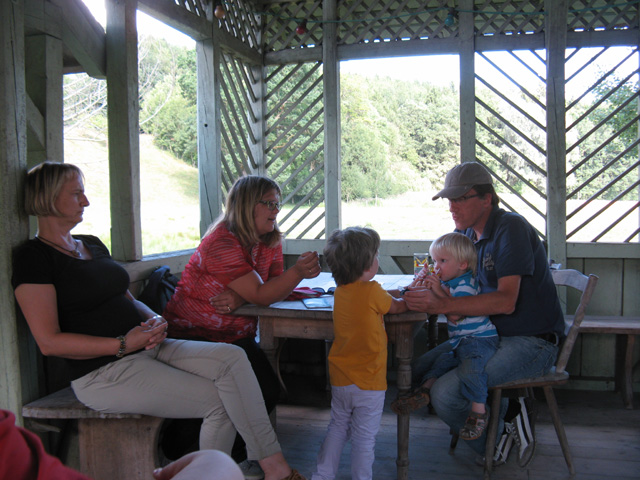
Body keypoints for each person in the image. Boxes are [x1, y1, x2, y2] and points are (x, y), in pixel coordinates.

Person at [12, 162, 305, 480]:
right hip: (103, 371)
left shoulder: (91, 244)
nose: (86, 201)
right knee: (222, 401)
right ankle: (272, 469)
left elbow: (126, 298)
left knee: (233, 357)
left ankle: (266, 469)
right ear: (48, 197)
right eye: (76, 194)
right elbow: (49, 341)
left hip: (149, 345)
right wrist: (122, 344)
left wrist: (153, 318)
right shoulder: (35, 258)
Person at [402, 162, 565, 467]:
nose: (452, 207)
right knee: (419, 368)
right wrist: (428, 281)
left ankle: (497, 437)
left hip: (532, 340)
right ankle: (506, 414)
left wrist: (443, 306)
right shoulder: (465, 233)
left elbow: (506, 302)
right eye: (449, 200)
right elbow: (448, 271)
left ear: (487, 198)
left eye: (460, 199)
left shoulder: (510, 228)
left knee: (445, 394)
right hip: (487, 334)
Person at [162, 175, 321, 476]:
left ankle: (234, 457)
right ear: (248, 205)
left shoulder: (270, 239)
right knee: (250, 391)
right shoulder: (221, 242)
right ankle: (182, 452)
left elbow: (271, 287)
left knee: (268, 390)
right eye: (269, 204)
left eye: (278, 203)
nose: (276, 210)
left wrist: (241, 295)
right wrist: (296, 273)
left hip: (234, 336)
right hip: (193, 336)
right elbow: (263, 293)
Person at [311, 227, 407, 480]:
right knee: (364, 438)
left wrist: (395, 294)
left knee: (338, 427)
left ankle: (322, 475)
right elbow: (396, 308)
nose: (378, 258)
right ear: (366, 264)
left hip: (341, 378)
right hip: (369, 381)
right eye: (376, 255)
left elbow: (375, 298)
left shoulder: (342, 292)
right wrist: (410, 296)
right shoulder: (372, 291)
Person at [391, 233, 498, 441]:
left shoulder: (466, 284)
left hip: (479, 340)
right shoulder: (449, 281)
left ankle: (478, 411)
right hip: (461, 341)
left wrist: (437, 289)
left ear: (462, 264)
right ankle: (423, 392)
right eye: (434, 261)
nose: (436, 267)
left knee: (471, 370)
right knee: (441, 363)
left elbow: (455, 314)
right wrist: (421, 281)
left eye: (442, 261)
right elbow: (423, 294)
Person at [0, 408, 242, 480]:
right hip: (106, 372)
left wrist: (151, 323)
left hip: (140, 351)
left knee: (233, 361)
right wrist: (216, 463)